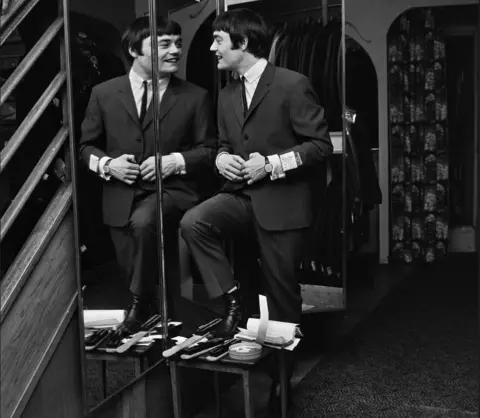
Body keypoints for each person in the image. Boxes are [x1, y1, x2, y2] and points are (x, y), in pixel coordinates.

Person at [180, 8, 333, 338]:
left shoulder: (293, 84)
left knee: (282, 295)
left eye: (218, 40)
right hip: (240, 197)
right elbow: (223, 144)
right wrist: (221, 158)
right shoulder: (227, 94)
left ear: (244, 42)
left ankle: (282, 384)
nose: (211, 48)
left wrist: (271, 164)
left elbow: (320, 147)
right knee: (194, 222)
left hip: (283, 204)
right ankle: (233, 302)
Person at [79, 16, 216, 332]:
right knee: (135, 271)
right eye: (164, 44)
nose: (175, 51)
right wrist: (108, 165)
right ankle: (156, 319)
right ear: (133, 50)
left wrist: (172, 161)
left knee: (144, 224)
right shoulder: (103, 93)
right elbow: (86, 147)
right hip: (118, 199)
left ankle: (145, 310)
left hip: (172, 192)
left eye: (178, 44)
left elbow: (209, 151)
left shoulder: (196, 96)